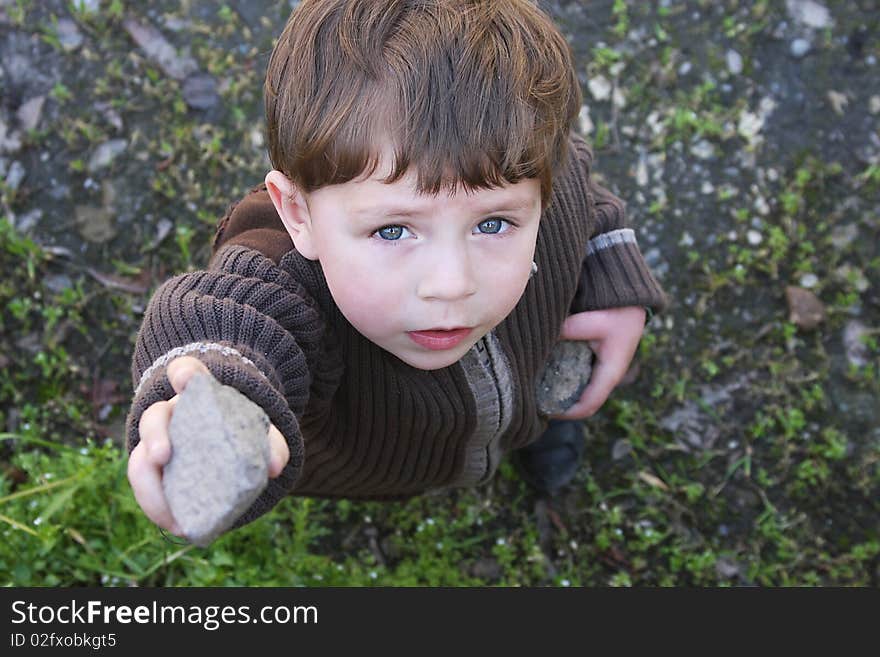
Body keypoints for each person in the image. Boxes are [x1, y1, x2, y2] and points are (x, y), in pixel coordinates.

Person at [125, 0, 668, 539]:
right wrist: (215, 392)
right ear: (299, 213)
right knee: (395, 478)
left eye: (494, 224)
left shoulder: (523, 161)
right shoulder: (282, 268)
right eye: (393, 231)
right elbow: (235, 317)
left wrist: (612, 280)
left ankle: (538, 436)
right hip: (379, 460)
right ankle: (411, 489)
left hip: (526, 391)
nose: (452, 284)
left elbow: (586, 203)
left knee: (542, 417)